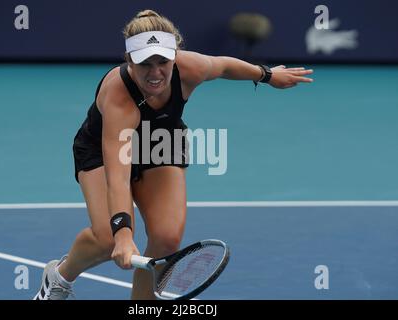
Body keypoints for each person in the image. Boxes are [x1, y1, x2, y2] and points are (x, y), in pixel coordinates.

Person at [33, 9, 313, 300]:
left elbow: (225, 66)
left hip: (161, 143)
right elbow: (118, 178)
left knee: (166, 240)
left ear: (175, 54)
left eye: (163, 61)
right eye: (145, 64)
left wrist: (268, 75)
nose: (155, 73)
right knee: (107, 238)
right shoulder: (118, 97)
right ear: (129, 60)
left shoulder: (191, 67)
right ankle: (59, 277)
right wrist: (124, 235)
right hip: (103, 152)